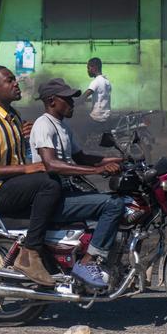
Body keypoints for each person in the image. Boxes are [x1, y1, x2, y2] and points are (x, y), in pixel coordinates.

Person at [0, 65, 61, 287]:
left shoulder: (13, 116)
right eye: (9, 81)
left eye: (14, 80)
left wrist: (24, 136)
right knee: (48, 184)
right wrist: (27, 169)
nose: (15, 84)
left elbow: (13, 155)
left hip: (12, 185)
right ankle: (31, 254)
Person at [30, 78, 125, 289]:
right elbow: (52, 164)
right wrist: (97, 170)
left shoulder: (63, 127)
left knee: (118, 201)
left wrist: (119, 159)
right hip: (54, 197)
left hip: (66, 191)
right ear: (52, 101)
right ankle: (87, 263)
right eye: (68, 99)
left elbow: (82, 157)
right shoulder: (43, 124)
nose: (73, 103)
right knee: (113, 204)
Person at [83, 57, 112, 124]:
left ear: (94, 68)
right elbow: (101, 97)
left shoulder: (96, 81)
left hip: (97, 118)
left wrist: (76, 102)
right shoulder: (107, 82)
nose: (88, 71)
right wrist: (87, 100)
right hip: (107, 117)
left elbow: (84, 95)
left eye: (88, 68)